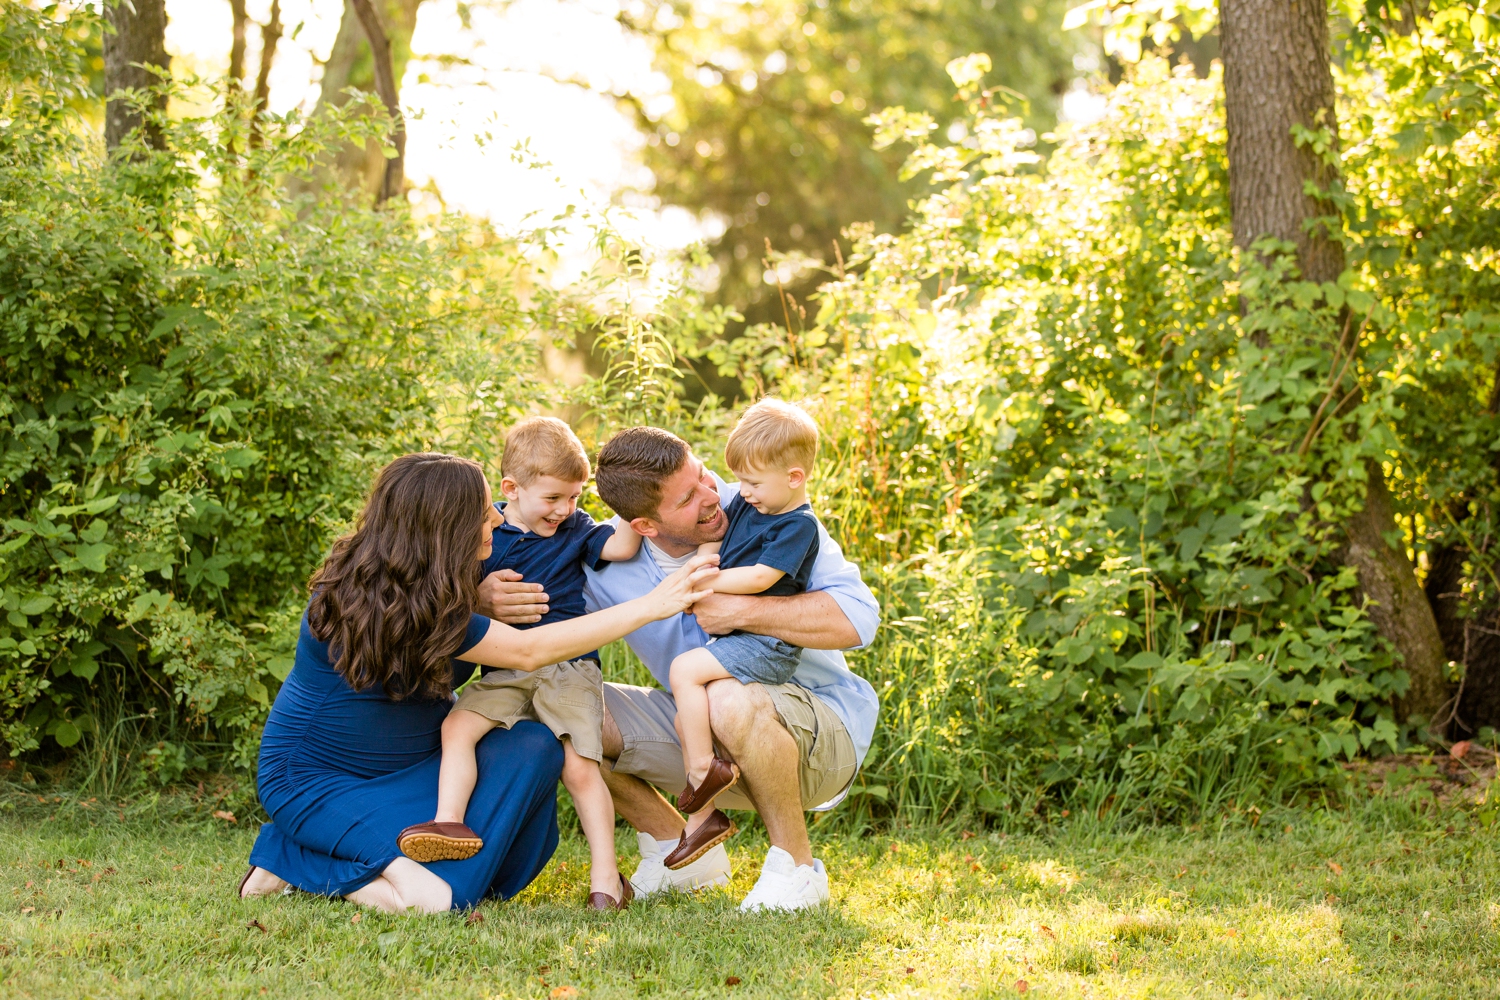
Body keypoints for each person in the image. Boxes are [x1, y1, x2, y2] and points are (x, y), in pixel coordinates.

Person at [239, 452, 715, 914]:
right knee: (439, 900)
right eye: (482, 509)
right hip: (320, 780)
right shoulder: (371, 600)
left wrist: (478, 599)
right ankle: (291, 855)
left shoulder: (449, 582)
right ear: (444, 528)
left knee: (537, 745)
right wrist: (655, 604)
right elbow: (528, 652)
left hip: (425, 771)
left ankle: (338, 850)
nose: (495, 516)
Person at [479, 426, 880, 912]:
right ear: (646, 525)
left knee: (726, 697)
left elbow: (861, 619)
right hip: (703, 740)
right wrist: (484, 603)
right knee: (553, 708)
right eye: (689, 497)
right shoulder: (598, 563)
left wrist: (742, 610)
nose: (714, 497)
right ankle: (679, 851)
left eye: (705, 476)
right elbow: (519, 639)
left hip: (818, 736)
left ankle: (797, 869)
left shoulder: (766, 509)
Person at [394, 418, 644, 911]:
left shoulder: (577, 528)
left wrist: (627, 504)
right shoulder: (485, 536)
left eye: (574, 496)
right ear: (511, 488)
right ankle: (448, 822)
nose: (565, 509)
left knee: (579, 768)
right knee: (458, 727)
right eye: (553, 498)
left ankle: (605, 879)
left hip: (569, 666)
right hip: (504, 669)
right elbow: (450, 596)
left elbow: (621, 545)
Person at [663, 400, 825, 871]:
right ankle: (704, 817)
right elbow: (718, 540)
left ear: (794, 478)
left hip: (766, 646)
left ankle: (702, 772)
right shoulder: (749, 503)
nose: (743, 491)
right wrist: (704, 562)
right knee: (686, 716)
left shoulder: (798, 525)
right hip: (735, 642)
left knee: (683, 671)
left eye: (753, 482)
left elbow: (758, 578)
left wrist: (703, 584)